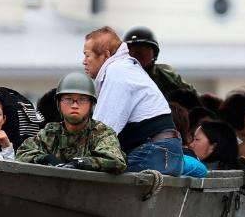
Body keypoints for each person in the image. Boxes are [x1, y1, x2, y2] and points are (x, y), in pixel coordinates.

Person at [84, 26, 183, 176]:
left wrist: (76, 160)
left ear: (105, 55)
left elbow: (103, 130)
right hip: (168, 153)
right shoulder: (127, 68)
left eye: (87, 55)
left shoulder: (117, 72)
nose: (83, 62)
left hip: (153, 153)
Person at [16, 72, 126, 174]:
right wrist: (45, 159)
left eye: (82, 99)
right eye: (68, 99)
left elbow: (116, 160)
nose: (74, 105)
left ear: (91, 104)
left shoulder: (101, 133)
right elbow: (22, 153)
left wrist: (81, 163)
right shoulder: (50, 133)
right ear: (59, 104)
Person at [188, 120, 245, 193]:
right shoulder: (185, 161)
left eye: (197, 139)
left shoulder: (236, 166)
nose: (191, 145)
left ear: (213, 146)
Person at [123, 26, 197, 101]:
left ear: (154, 53)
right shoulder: (117, 75)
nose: (137, 53)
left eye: (144, 48)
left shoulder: (167, 77)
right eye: (131, 49)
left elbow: (193, 99)